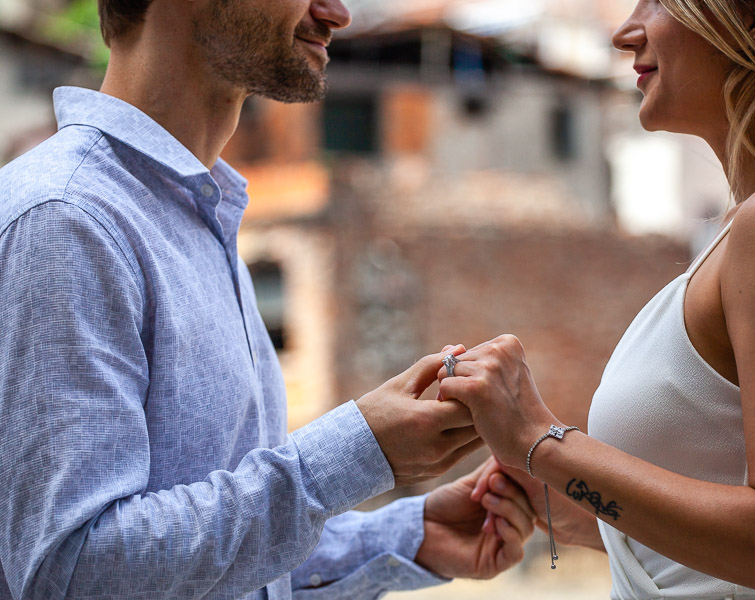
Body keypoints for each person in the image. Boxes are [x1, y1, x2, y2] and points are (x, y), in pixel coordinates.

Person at [0, 0, 537, 598]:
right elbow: (73, 573)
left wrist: (404, 536)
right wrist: (352, 456)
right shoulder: (66, 220)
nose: (337, 13)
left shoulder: (200, 217)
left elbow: (197, 566)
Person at [439, 1, 755, 599]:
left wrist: (539, 440)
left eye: (657, 1)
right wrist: (577, 506)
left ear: (752, 18)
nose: (624, 33)